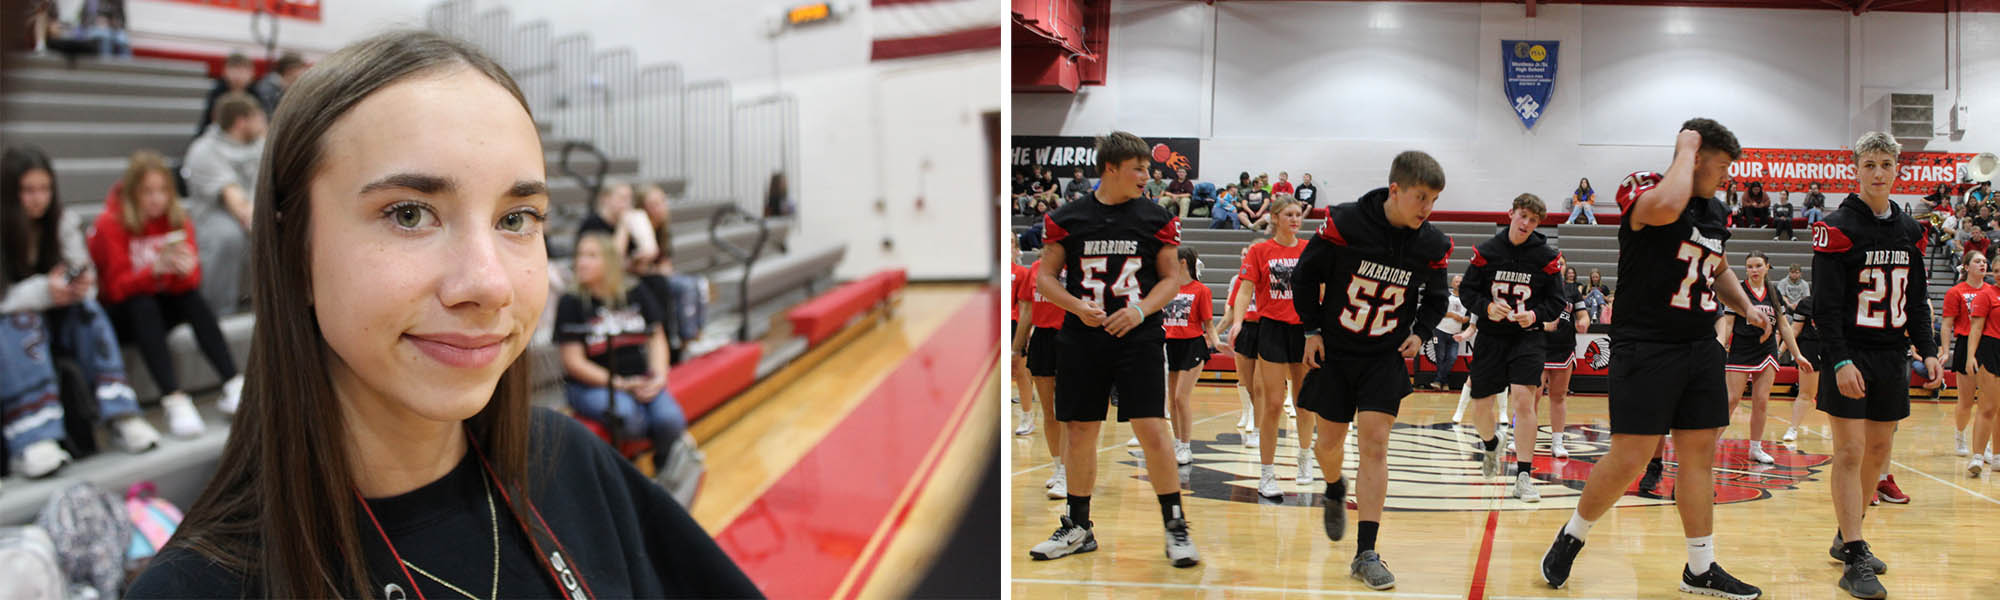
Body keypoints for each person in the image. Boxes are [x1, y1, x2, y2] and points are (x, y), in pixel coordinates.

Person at [127, 31, 757, 598]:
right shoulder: (195, 589)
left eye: (516, 220)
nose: (487, 285)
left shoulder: (569, 462)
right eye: (409, 214)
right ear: (294, 253)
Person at [1540, 119, 1766, 599]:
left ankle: (1700, 568)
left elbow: (1717, 264)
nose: (1725, 177)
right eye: (1720, 165)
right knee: (1630, 457)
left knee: (1699, 457)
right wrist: (1685, 149)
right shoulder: (1645, 187)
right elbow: (1664, 208)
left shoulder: (1716, 210)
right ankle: (1573, 534)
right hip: (1646, 345)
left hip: (1700, 345)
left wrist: (1744, 305)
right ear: (1696, 155)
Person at [1027, 131, 1198, 568]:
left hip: (1138, 337)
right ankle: (1079, 527)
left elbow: (1170, 279)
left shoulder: (1155, 216)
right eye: (1138, 168)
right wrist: (1074, 305)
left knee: (1152, 428)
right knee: (1081, 430)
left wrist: (1140, 311)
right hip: (1082, 336)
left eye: (1147, 168)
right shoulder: (1068, 217)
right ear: (1111, 168)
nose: (1146, 176)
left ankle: (1175, 526)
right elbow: (1044, 277)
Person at [1292, 150, 1454, 590]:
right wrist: (1310, 330)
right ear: (1396, 189)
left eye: (1434, 200)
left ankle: (1366, 551)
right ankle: (1332, 486)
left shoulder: (1432, 244)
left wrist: (1420, 332)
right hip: (1337, 351)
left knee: (1376, 443)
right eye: (1421, 197)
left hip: (1383, 355)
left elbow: (1437, 298)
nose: (1427, 208)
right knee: (1328, 445)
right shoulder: (1345, 223)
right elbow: (1304, 277)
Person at [1810, 131, 1938, 599]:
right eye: (1870, 164)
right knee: (1849, 451)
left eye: (1886, 164)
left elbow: (1918, 301)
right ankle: (1857, 553)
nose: (1878, 172)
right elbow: (1825, 306)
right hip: (1851, 352)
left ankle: (1849, 536)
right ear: (1856, 169)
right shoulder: (1838, 224)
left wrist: (1926, 350)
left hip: (1891, 355)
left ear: (1897, 169)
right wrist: (1840, 358)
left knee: (1879, 453)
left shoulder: (1909, 228)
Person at [1, 145, 160, 478]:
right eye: (28, 190)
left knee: (88, 311)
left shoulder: (61, 222)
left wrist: (78, 284)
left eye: (44, 189)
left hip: (56, 316)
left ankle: (120, 414)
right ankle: (33, 437)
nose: (38, 198)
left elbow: (87, 275)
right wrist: (44, 290)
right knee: (21, 322)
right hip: (14, 323)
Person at [87, 150, 243, 436]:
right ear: (133, 192)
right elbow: (114, 289)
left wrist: (183, 270)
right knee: (143, 304)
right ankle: (174, 398)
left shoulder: (177, 218)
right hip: (125, 313)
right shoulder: (110, 224)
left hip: (161, 302)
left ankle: (233, 383)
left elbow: (192, 281)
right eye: (147, 192)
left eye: (161, 190)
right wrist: (154, 270)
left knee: (192, 299)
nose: (156, 198)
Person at [1459, 193, 1568, 501]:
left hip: (1527, 336)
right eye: (1523, 216)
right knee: (1481, 406)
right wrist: (1485, 307)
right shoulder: (1486, 251)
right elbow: (1467, 290)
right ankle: (1492, 444)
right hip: (1491, 337)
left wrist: (1534, 314)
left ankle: (1523, 474)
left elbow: (1557, 301)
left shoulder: (1546, 256)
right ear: (1511, 214)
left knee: (1524, 399)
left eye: (1533, 220)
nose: (1526, 223)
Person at [556, 231, 691, 465]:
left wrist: (658, 375)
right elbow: (573, 362)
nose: (581, 262)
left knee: (670, 420)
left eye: (591, 256)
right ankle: (628, 473)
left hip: (639, 378)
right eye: (579, 255)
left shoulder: (636, 292)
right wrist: (620, 384)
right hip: (591, 385)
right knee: (628, 417)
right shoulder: (571, 302)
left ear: (609, 261)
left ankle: (665, 469)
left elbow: (656, 337)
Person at [1228, 199, 1313, 496]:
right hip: (1272, 330)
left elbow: (1322, 290)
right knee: (1274, 403)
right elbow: (1245, 289)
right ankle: (1267, 474)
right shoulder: (1259, 251)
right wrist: (1238, 322)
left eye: (1297, 214)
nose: (1295, 219)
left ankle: (1304, 458)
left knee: (1303, 402)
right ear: (1274, 218)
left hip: (1302, 330)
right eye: (1288, 214)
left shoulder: (1308, 249)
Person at [182, 91, 267, 315]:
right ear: (241, 122)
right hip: (216, 217)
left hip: (252, 212)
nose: (263, 122)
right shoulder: (205, 150)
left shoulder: (259, 145)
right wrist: (266, 226)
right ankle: (219, 312)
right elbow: (235, 200)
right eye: (257, 117)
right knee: (228, 235)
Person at [1719, 251, 1805, 465]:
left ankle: (1755, 448)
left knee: (1761, 402)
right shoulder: (1737, 290)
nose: (1754, 270)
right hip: (1740, 350)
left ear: (1767, 267)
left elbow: (1784, 325)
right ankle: (1710, 442)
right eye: (1750, 266)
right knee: (1731, 400)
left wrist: (1797, 355)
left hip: (1766, 351)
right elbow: (1727, 323)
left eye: (1758, 265)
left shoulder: (1774, 291)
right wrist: (1719, 348)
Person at [1014, 254, 1068, 498]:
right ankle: (1058, 468)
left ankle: (1068, 472)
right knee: (1049, 412)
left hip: (1070, 337)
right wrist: (1017, 346)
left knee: (1067, 411)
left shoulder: (1073, 266)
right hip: (1042, 339)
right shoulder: (1034, 269)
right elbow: (1026, 308)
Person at [1162, 246, 1217, 465]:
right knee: (1172, 402)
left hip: (1192, 345)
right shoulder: (1166, 288)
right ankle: (1177, 442)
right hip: (1170, 344)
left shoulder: (1201, 290)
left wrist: (1216, 342)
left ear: (1183, 262)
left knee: (1180, 398)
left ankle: (1186, 446)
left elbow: (1208, 324)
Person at [1540, 268, 1591, 459]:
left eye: (1561, 263)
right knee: (1531, 395)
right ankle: (1520, 437)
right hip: (1538, 345)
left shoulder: (1571, 289)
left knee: (1559, 395)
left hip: (1563, 347)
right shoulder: (1536, 284)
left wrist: (1584, 322)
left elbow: (1582, 314)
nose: (1558, 266)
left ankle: (1558, 442)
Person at [1942, 252, 1988, 456]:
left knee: (1990, 401)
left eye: (1985, 262)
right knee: (1966, 400)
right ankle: (1960, 435)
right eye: (1977, 261)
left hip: (1990, 345)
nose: (1982, 264)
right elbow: (1947, 324)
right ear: (1966, 266)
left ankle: (1985, 444)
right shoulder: (1956, 292)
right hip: (1965, 343)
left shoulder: (1993, 291)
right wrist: (1944, 350)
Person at [1226, 245, 1262, 446]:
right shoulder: (1239, 281)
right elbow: (1231, 308)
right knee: (1247, 383)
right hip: (1246, 329)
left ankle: (1258, 428)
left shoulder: (1269, 277)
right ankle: (1249, 412)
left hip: (1266, 327)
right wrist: (1218, 332)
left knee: (1260, 385)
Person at [196, 52, 276, 136]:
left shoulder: (257, 95)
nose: (238, 75)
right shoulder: (217, 94)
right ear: (225, 71)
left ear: (252, 73)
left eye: (242, 70)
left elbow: (263, 124)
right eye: (234, 69)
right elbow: (209, 123)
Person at [1783, 293, 1825, 445]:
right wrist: (1780, 351)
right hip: (1810, 348)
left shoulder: (1842, 299)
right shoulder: (1806, 303)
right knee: (1806, 394)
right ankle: (1793, 428)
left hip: (1833, 348)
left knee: (1840, 394)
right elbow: (1794, 330)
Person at [1421, 274, 1469, 391]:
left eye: (1460, 282)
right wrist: (1452, 315)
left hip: (1455, 334)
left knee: (1452, 357)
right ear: (1452, 283)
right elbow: (1437, 311)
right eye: (1456, 281)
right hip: (1440, 330)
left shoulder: (1466, 299)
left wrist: (1464, 319)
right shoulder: (1445, 296)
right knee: (1440, 356)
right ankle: (1443, 381)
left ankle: (1439, 380)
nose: (1458, 283)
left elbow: (1469, 316)